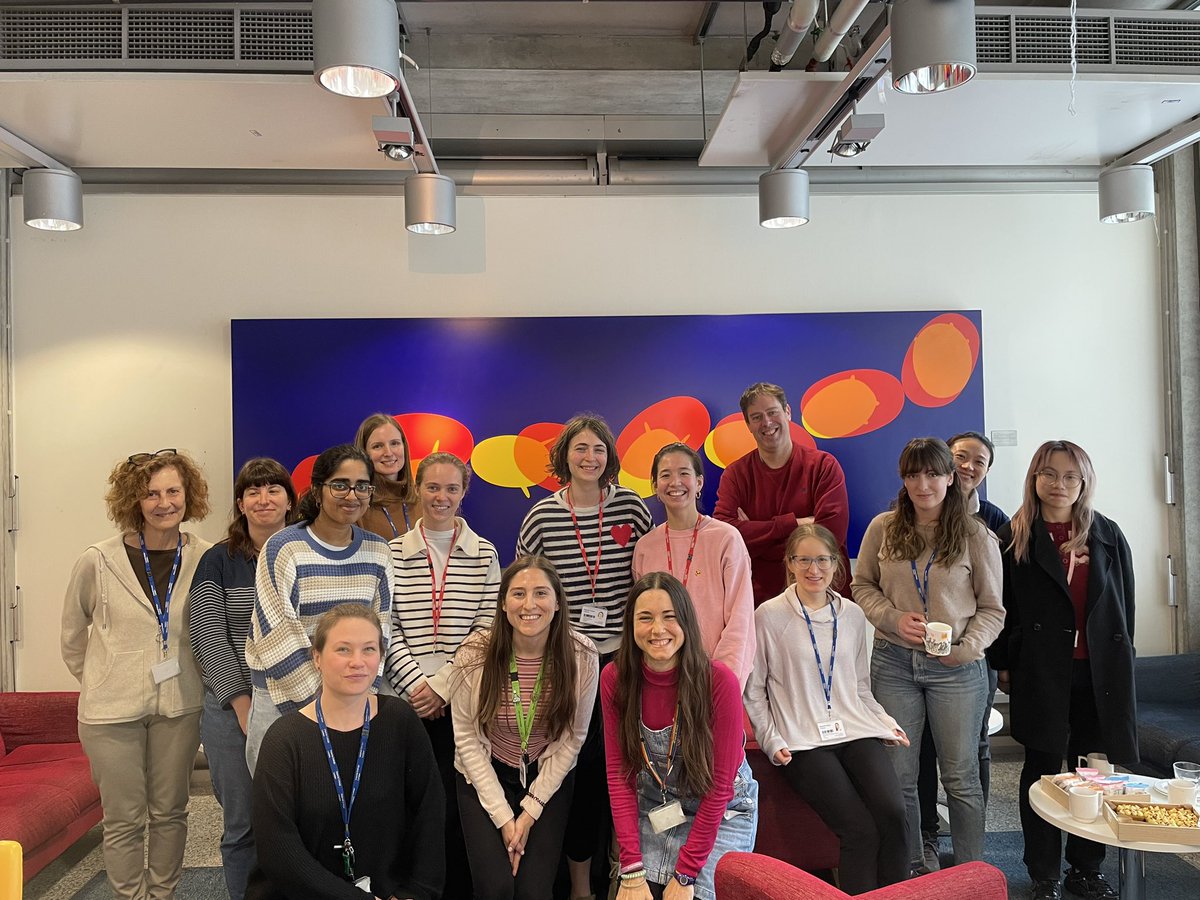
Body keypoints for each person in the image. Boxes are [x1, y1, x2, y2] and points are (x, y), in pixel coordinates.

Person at [61, 449, 212, 900]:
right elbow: (73, 636)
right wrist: (103, 678)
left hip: (180, 706)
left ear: (189, 496)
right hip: (111, 713)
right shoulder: (98, 560)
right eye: (151, 494)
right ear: (134, 500)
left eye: (173, 491)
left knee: (170, 811)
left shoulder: (207, 557)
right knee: (124, 817)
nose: (164, 502)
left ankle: (161, 894)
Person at [988, 441, 1134, 900]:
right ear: (1034, 479)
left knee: (1093, 770)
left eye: (1071, 476)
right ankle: (1044, 872)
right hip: (1041, 671)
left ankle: (1086, 869)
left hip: (1099, 674)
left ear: (1084, 482)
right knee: (1044, 769)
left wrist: (1122, 661)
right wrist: (1004, 665)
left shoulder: (1107, 533)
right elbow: (1002, 606)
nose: (1059, 484)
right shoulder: (1016, 537)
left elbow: (1123, 607)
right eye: (1049, 474)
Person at [516, 414, 653, 899]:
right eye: (580, 448)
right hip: (567, 660)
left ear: (609, 457)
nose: (589, 457)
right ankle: (578, 885)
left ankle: (627, 872)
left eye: (598, 448)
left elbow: (648, 581)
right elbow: (525, 588)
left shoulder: (634, 509)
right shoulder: (542, 516)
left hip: (625, 659)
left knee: (627, 766)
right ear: (564, 457)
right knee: (576, 767)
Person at [851, 437, 1004, 870]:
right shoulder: (883, 527)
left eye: (934, 473)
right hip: (895, 663)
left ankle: (973, 871)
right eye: (913, 474)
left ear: (951, 478)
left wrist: (967, 649)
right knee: (899, 776)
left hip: (956, 669)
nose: (923, 484)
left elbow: (993, 609)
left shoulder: (975, 535)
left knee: (960, 777)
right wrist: (891, 617)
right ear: (903, 479)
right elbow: (862, 585)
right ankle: (913, 866)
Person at [746, 523, 909, 893]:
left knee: (895, 815)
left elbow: (860, 689)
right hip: (802, 740)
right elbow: (754, 692)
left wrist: (885, 722)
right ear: (789, 563)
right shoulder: (768, 616)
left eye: (822, 560)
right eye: (803, 560)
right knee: (859, 830)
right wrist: (771, 741)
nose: (813, 569)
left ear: (836, 565)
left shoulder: (851, 615)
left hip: (853, 728)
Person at [247, 604, 444, 900]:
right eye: (343, 650)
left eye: (368, 649)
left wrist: (415, 894)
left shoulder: (400, 721)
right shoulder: (284, 740)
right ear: (317, 658)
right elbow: (279, 853)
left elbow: (429, 815)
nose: (358, 662)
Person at [385, 450, 500, 900]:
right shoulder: (392, 552)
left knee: (455, 805)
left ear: (464, 492)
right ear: (417, 489)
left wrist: (444, 685)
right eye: (432, 487)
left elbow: (487, 629)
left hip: (461, 697)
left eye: (452, 488)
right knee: (404, 801)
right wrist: (415, 683)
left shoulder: (483, 552)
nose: (441, 496)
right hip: (403, 697)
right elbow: (384, 624)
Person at [451, 556, 599, 900]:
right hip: (484, 772)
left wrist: (530, 811)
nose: (529, 604)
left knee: (534, 892)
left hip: (547, 773)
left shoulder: (582, 654)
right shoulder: (475, 652)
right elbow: (466, 739)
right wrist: (505, 818)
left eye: (541, 593)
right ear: (503, 603)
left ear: (558, 601)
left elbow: (572, 739)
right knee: (496, 888)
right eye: (518, 594)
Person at [603, 572, 757, 900]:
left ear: (686, 622)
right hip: (656, 803)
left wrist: (686, 874)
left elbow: (719, 788)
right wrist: (630, 867)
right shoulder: (615, 678)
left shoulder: (719, 682)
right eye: (645, 618)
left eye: (670, 617)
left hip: (722, 809)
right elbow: (620, 778)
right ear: (630, 625)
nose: (658, 630)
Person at [244, 444, 393, 773]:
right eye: (339, 484)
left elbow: (380, 633)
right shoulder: (284, 547)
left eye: (362, 486)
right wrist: (323, 705)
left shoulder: (378, 552)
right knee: (280, 799)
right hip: (282, 693)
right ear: (317, 489)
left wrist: (355, 695)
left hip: (352, 696)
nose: (351, 495)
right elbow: (277, 633)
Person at [189, 457, 296, 900]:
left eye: (273, 489)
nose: (263, 498)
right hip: (232, 709)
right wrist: (241, 703)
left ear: (290, 500)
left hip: (297, 702)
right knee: (242, 826)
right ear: (240, 503)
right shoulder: (219, 560)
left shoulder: (306, 551)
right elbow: (207, 631)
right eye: (253, 491)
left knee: (300, 821)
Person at [915, 430, 1011, 873]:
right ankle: (928, 838)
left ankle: (972, 848)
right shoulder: (906, 517)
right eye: (960, 458)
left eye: (979, 462)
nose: (969, 467)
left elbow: (998, 599)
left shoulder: (991, 522)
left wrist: (977, 650)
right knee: (922, 752)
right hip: (911, 659)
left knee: (971, 754)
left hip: (972, 658)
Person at [713, 382, 850, 603]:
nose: (766, 422)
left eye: (772, 412)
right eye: (756, 417)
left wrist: (757, 542)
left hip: (824, 599)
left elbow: (831, 536)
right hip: (760, 602)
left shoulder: (823, 466)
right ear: (748, 425)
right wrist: (795, 524)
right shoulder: (735, 475)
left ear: (787, 412)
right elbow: (726, 536)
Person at [633, 442, 755, 687]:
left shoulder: (726, 538)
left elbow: (740, 619)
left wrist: (724, 680)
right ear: (655, 486)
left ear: (698, 483)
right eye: (665, 475)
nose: (675, 482)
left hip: (715, 677)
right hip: (662, 677)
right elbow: (642, 619)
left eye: (684, 473)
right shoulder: (645, 547)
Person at [355, 413, 418, 541]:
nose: (388, 453)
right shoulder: (356, 505)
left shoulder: (423, 500)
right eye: (377, 446)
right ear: (364, 452)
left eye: (395, 443)